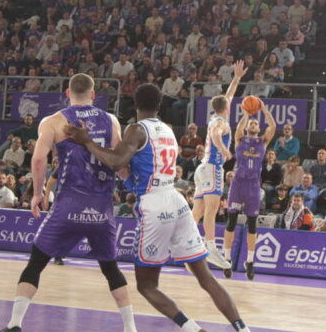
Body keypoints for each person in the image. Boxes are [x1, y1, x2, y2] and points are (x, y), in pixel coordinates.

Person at [64, 83, 253, 332]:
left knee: (147, 285)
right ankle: (242, 328)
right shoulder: (168, 130)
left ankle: (193, 329)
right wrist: (125, 172)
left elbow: (116, 162)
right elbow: (137, 167)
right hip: (176, 200)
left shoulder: (136, 129)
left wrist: (87, 141)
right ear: (160, 105)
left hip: (154, 205)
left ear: (135, 104)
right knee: (205, 277)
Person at [0, 74, 137, 332]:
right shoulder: (111, 120)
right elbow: (120, 164)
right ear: (93, 94)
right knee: (110, 268)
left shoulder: (54, 121)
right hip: (101, 208)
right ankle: (130, 328)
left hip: (69, 204)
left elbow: (38, 159)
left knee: (36, 262)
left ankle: (14, 323)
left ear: (67, 92)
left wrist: (37, 194)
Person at [192, 60, 247, 270]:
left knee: (198, 211)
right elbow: (216, 135)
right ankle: (211, 248)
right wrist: (224, 150)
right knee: (212, 209)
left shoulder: (215, 116)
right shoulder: (221, 123)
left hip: (201, 168)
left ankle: (183, 241)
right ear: (226, 108)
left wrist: (237, 78)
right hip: (213, 167)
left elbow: (229, 95)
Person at [222, 103, 276, 280]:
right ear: (247, 127)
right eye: (251, 123)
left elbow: (273, 126)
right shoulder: (240, 139)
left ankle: (250, 262)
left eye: (255, 123)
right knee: (231, 222)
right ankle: (227, 259)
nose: (253, 124)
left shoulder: (263, 142)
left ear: (259, 128)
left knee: (252, 224)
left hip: (253, 185)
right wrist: (246, 114)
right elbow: (238, 128)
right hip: (238, 183)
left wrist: (264, 109)